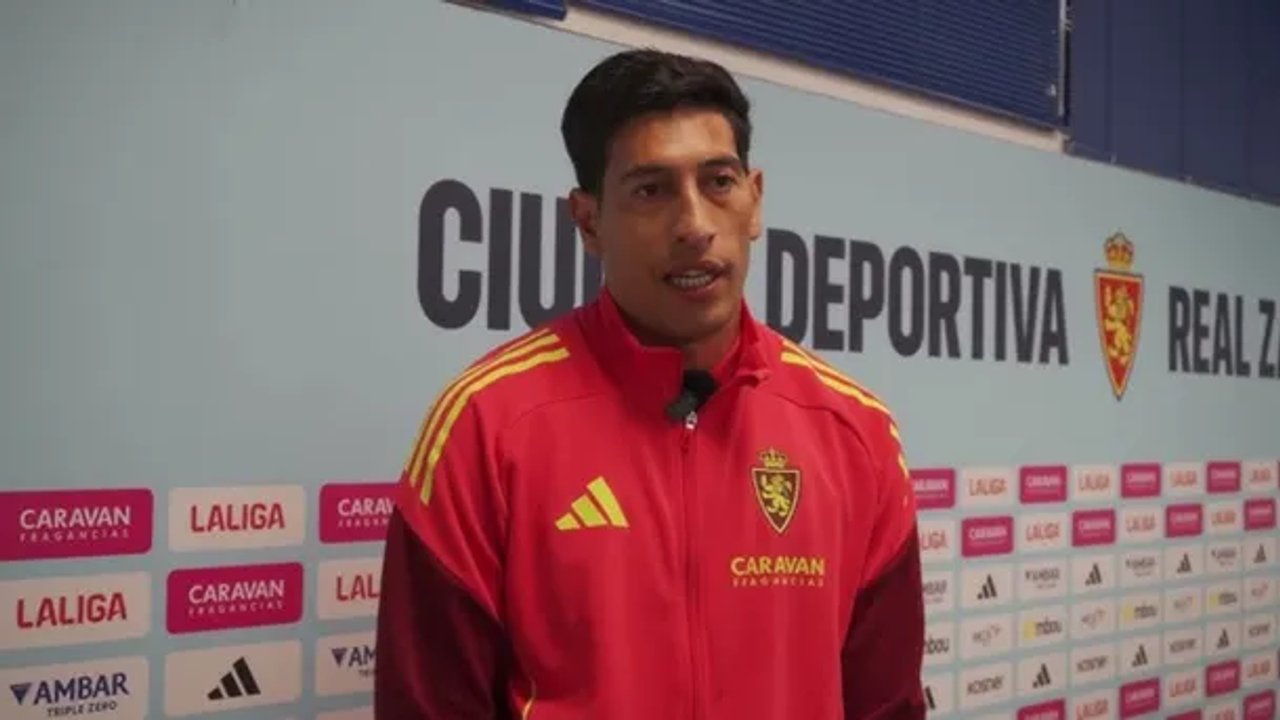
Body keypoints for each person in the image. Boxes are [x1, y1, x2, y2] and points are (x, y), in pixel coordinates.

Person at [375, 47, 925, 719]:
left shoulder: (855, 432)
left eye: (718, 182)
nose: (694, 226)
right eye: (651, 190)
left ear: (754, 200)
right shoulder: (487, 426)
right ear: (589, 223)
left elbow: (887, 706)